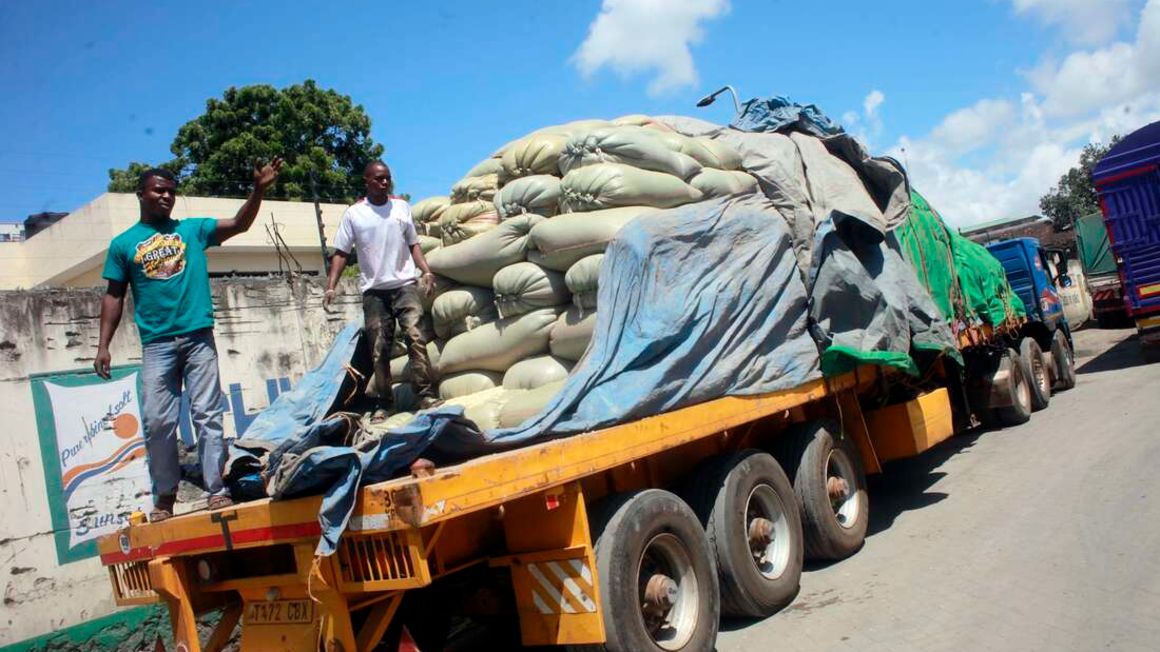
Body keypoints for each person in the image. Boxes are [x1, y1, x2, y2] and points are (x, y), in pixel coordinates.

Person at [95, 159, 283, 522]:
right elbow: (114, 295)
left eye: (171, 191)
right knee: (158, 421)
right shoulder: (123, 244)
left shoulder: (193, 231)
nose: (166, 196)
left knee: (208, 414)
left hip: (198, 336)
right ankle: (165, 497)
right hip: (157, 344)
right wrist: (103, 345)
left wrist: (258, 189)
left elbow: (239, 224)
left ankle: (216, 489)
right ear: (141, 194)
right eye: (158, 190)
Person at [323, 160, 440, 422]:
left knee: (416, 337)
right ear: (367, 181)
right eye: (378, 178)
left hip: (404, 285)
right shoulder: (355, 214)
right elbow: (342, 252)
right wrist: (331, 286)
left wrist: (426, 270)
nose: (384, 182)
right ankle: (385, 403)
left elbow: (414, 244)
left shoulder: (401, 207)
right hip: (374, 291)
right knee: (380, 349)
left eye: (387, 177)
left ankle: (425, 395)